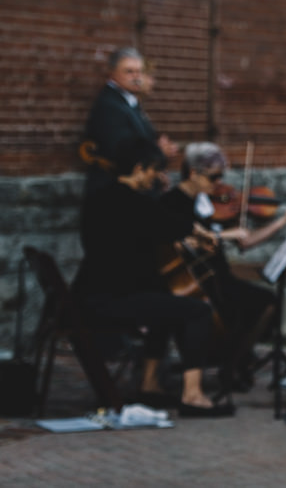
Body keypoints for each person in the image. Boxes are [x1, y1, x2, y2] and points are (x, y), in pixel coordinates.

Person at [71, 137, 234, 417]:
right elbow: (167, 222)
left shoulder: (100, 198)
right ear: (138, 168)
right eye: (153, 170)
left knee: (164, 303)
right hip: (109, 302)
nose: (157, 177)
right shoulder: (133, 202)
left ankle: (149, 385)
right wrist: (202, 233)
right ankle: (193, 395)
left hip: (88, 295)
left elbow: (155, 226)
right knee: (197, 311)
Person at [158, 142, 286, 391]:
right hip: (198, 280)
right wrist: (226, 235)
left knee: (266, 302)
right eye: (213, 177)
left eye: (221, 177)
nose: (219, 184)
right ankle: (229, 362)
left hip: (220, 276)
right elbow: (185, 241)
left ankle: (234, 361)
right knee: (247, 305)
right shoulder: (172, 203)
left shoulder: (206, 201)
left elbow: (246, 241)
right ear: (193, 172)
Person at [82, 47, 178, 196]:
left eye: (139, 72)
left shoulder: (129, 102)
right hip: (116, 192)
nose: (136, 77)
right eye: (129, 71)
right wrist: (159, 152)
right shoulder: (110, 105)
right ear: (112, 73)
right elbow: (122, 150)